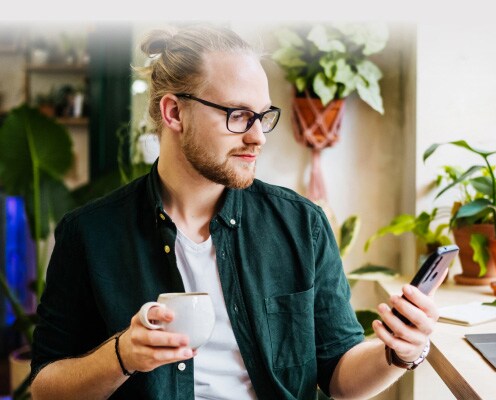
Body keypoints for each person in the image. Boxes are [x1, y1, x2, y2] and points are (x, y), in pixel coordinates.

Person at [30, 24, 438, 400]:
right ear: (174, 113)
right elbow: (45, 388)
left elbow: (339, 376)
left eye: (262, 116)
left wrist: (400, 352)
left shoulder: (301, 225)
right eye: (238, 115)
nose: (257, 136)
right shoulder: (89, 234)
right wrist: (121, 356)